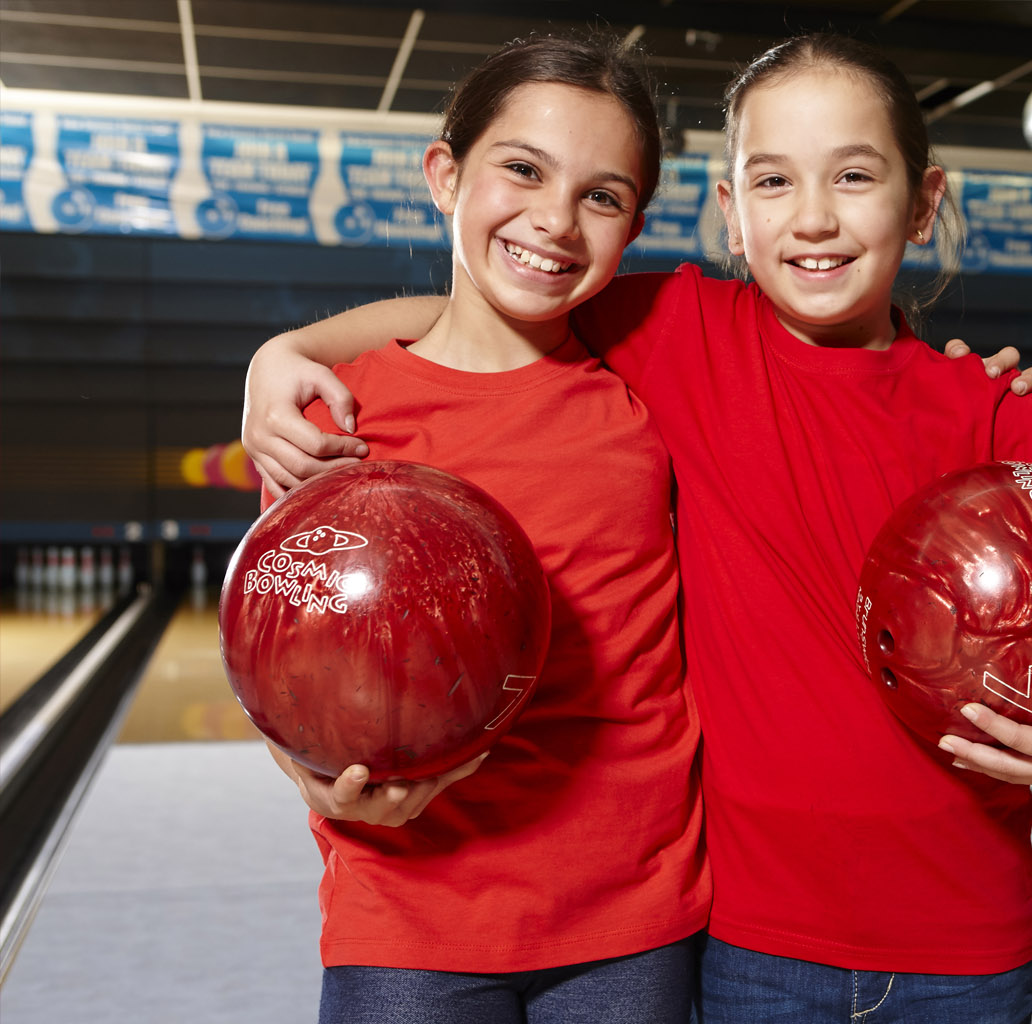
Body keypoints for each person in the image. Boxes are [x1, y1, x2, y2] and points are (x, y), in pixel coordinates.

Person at [246, 33, 1032, 1023]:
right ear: (730, 212)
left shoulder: (981, 403)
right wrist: (287, 350)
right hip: (753, 941)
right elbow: (500, 301)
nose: (813, 217)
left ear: (924, 202)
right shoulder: (678, 332)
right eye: (773, 181)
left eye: (854, 176)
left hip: (960, 937)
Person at [254, 37, 711, 1024]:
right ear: (445, 174)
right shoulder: (333, 416)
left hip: (630, 911)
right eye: (523, 168)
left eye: (603, 195)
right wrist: (315, 783)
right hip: (406, 906)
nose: (554, 218)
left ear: (635, 225)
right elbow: (281, 661)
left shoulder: (655, 392)